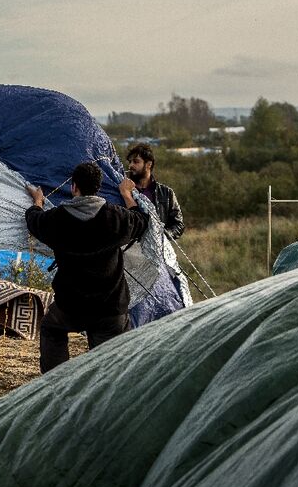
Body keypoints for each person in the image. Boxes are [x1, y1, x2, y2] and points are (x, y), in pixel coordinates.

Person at [25, 162, 149, 373]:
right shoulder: (115, 217)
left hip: (72, 306)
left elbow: (33, 220)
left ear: (74, 187)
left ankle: (55, 383)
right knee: (108, 365)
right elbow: (141, 221)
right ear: (98, 188)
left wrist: (37, 201)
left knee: (51, 328)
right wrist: (126, 194)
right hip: (110, 308)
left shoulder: (57, 219)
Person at [125, 143, 184, 240]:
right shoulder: (125, 190)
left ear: (148, 164)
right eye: (130, 162)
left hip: (157, 250)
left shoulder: (166, 193)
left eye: (136, 162)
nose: (131, 165)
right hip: (130, 250)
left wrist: (164, 236)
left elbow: (178, 224)